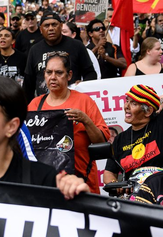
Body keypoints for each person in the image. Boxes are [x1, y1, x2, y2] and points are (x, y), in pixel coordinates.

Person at [103, 45, 163, 184]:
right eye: (127, 101)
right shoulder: (120, 140)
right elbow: (108, 173)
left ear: (148, 111)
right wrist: (115, 184)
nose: (126, 107)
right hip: (134, 194)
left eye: (133, 103)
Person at [28, 52, 109, 192]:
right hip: (45, 186)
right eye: (49, 72)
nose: (53, 77)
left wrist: (85, 120)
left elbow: (101, 142)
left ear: (69, 75)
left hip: (83, 183)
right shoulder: (34, 105)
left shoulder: (84, 101)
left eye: (59, 73)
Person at [23, 13, 97, 97]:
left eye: (54, 25)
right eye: (46, 26)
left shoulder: (77, 46)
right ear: (41, 29)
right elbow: (28, 83)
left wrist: (83, 84)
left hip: (72, 100)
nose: (51, 28)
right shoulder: (34, 50)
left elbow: (90, 73)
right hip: (44, 102)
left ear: (61, 26)